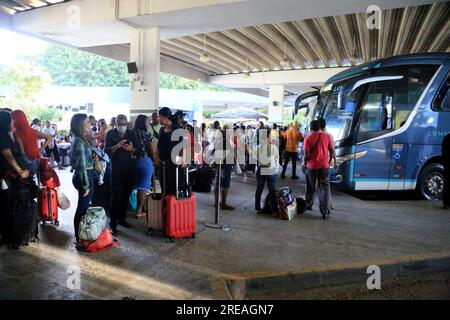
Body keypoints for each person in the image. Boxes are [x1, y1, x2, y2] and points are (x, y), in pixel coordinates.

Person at [105, 114, 143, 234]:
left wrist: (132, 149)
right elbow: (106, 152)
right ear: (115, 124)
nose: (122, 127)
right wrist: (117, 146)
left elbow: (140, 150)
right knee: (116, 197)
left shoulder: (131, 134)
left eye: (124, 124)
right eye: (120, 124)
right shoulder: (110, 134)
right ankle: (113, 223)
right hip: (116, 170)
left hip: (130, 169)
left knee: (126, 196)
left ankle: (122, 219)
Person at [0, 111, 31, 244]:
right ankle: (5, 234)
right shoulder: (2, 136)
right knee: (4, 205)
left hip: (6, 176)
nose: (13, 122)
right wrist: (20, 171)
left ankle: (8, 233)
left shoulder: (6, 135)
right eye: (11, 120)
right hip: (3, 176)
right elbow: (8, 155)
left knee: (7, 204)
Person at [303, 120, 337, 219]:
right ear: (320, 127)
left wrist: (305, 163)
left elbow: (306, 154)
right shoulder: (326, 136)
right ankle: (324, 212)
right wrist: (329, 161)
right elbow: (331, 150)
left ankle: (308, 205)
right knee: (324, 189)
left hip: (312, 167)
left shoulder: (308, 138)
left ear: (310, 127)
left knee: (310, 187)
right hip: (324, 167)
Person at [70, 114, 95, 244]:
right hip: (84, 177)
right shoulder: (79, 142)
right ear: (80, 125)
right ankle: (79, 237)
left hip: (85, 176)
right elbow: (81, 166)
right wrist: (86, 185)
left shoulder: (80, 139)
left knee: (83, 206)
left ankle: (80, 235)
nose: (90, 124)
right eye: (87, 122)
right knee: (82, 208)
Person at [133, 115, 159, 219]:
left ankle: (128, 207)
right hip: (144, 162)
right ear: (144, 123)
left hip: (131, 162)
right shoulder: (147, 134)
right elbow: (153, 151)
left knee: (131, 186)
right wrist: (156, 160)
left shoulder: (131, 133)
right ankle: (139, 210)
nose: (149, 123)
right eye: (147, 121)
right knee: (142, 187)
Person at [11, 110, 52, 174]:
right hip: (34, 158)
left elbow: (22, 151)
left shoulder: (15, 133)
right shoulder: (33, 131)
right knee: (32, 179)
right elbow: (49, 138)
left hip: (23, 160)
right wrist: (40, 150)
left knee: (25, 181)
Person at [157, 108, 186, 195]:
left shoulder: (177, 129)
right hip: (163, 162)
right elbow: (159, 146)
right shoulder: (162, 130)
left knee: (174, 185)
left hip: (174, 162)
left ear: (166, 117)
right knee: (164, 185)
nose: (159, 119)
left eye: (160, 117)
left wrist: (182, 160)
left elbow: (183, 145)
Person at [211, 123, 235, 210]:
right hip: (225, 164)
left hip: (220, 164)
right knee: (225, 185)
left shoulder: (219, 139)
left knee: (217, 183)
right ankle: (223, 203)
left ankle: (216, 202)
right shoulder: (226, 141)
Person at [255, 128, 279, 214]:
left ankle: (258, 208)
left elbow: (255, 158)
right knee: (271, 190)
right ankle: (273, 210)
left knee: (259, 189)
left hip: (261, 168)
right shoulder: (273, 147)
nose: (271, 138)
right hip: (270, 170)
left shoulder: (258, 147)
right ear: (268, 138)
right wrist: (276, 170)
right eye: (270, 137)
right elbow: (277, 160)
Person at [318, 118, 337, 211]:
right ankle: (330, 204)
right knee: (326, 186)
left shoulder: (317, 135)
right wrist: (335, 162)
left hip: (317, 163)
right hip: (326, 163)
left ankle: (309, 203)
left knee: (313, 185)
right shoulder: (330, 135)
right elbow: (333, 150)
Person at [443, 133, 450, 210]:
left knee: (447, 184)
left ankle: (446, 204)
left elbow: (443, 152)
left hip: (447, 164)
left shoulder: (446, 137)